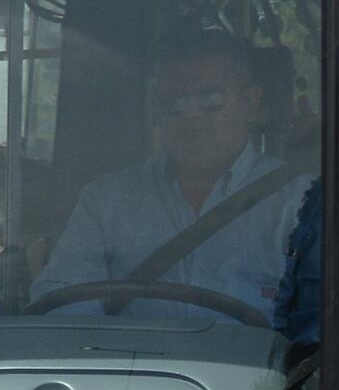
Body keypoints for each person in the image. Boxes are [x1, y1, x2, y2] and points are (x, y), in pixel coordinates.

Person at [34, 35, 309, 318]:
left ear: (251, 103)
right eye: (174, 106)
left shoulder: (301, 204)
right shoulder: (105, 201)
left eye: (211, 104)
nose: (191, 118)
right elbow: (62, 300)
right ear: (156, 110)